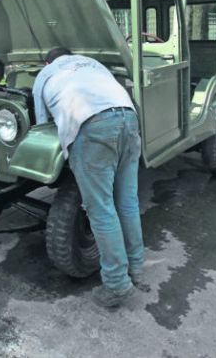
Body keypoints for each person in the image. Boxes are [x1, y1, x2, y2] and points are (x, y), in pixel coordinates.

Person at [33, 47, 144, 308]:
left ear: (49, 61)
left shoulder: (46, 73)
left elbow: (41, 126)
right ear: (71, 55)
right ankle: (136, 267)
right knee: (127, 202)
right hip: (128, 118)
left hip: (93, 126)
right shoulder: (92, 63)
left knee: (101, 210)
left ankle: (117, 285)